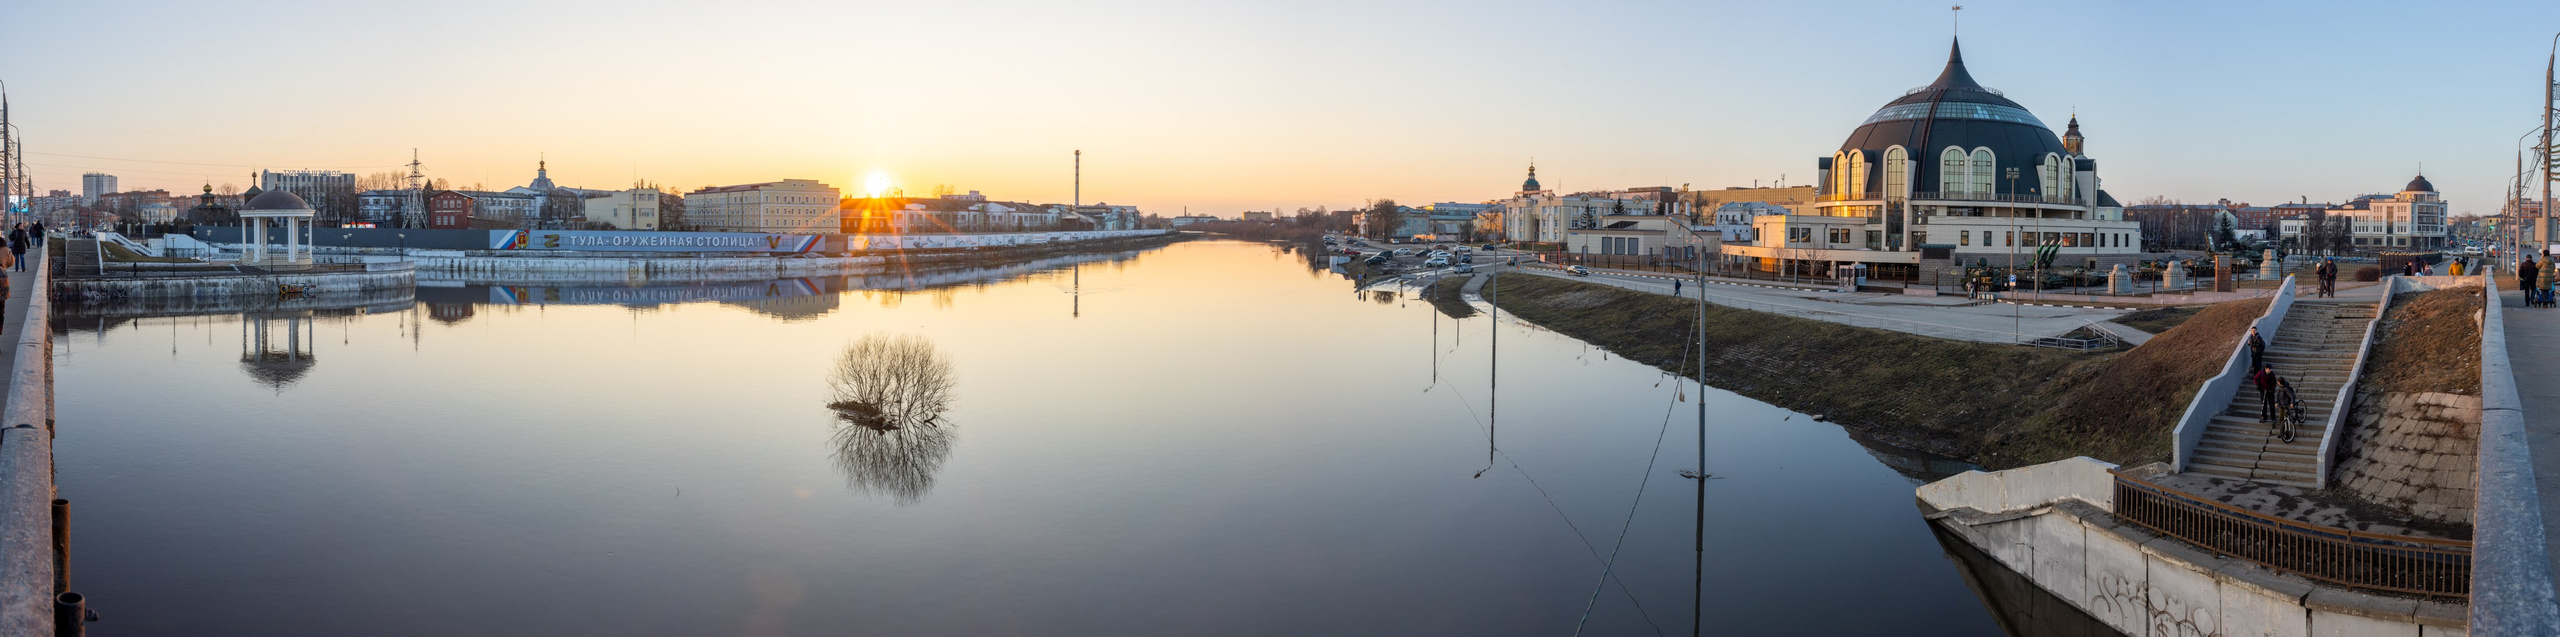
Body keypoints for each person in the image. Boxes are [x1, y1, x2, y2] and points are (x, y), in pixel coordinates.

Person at [2273, 376, 2301, 442]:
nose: (2277, 382)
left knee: (2286, 418)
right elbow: (2277, 395)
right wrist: (2276, 402)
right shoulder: (2279, 388)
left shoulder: (2286, 389)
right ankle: (2282, 432)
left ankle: (2286, 433)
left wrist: (2291, 403)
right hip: (2281, 405)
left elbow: (2292, 396)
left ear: (2280, 383)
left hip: (2286, 405)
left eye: (2278, 381)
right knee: (2281, 418)